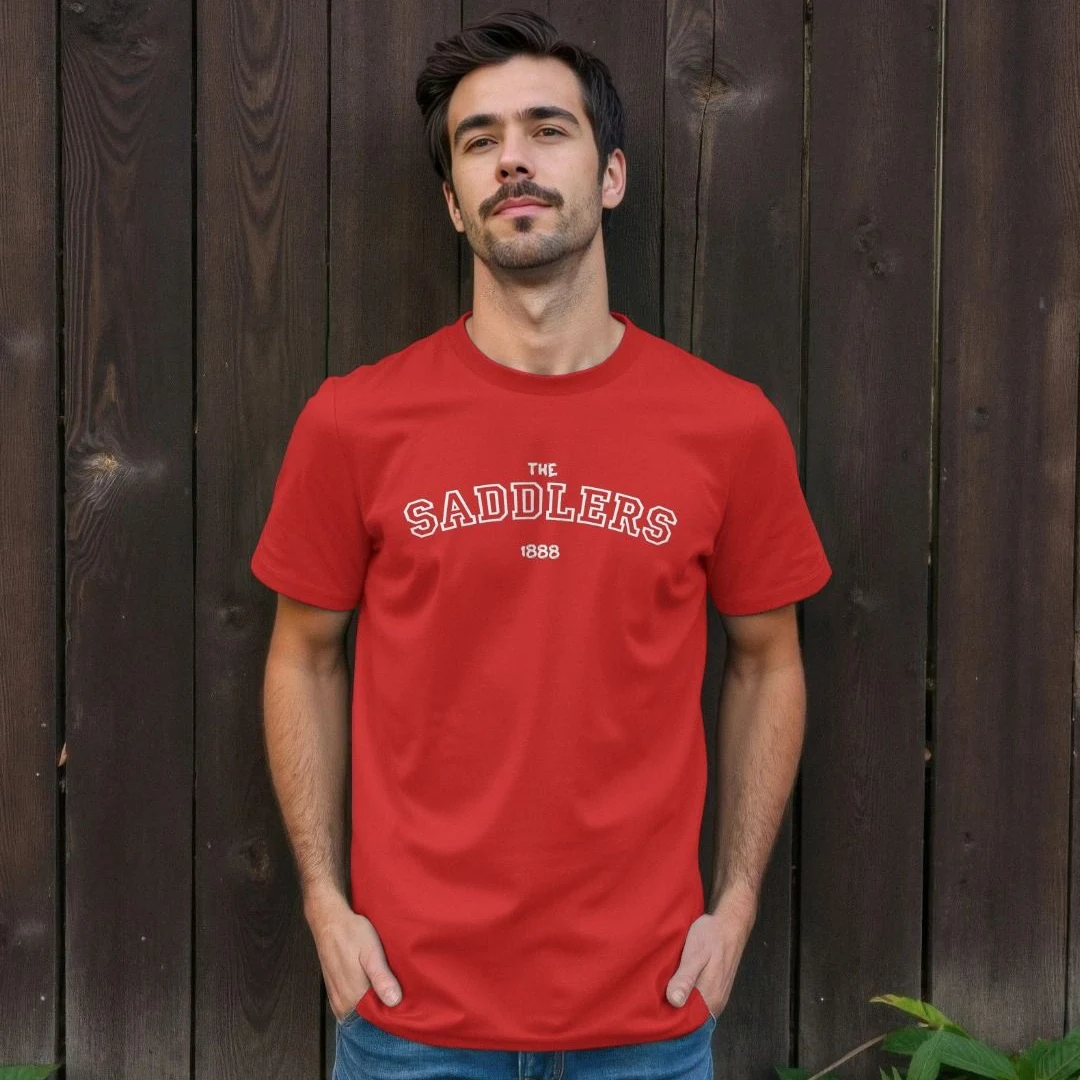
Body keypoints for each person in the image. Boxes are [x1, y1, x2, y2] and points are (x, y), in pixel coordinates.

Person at [250, 8, 832, 1079]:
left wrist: (739, 901)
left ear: (611, 176)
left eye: (546, 129)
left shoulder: (728, 426)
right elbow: (302, 655)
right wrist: (324, 899)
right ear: (453, 203)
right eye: (479, 141)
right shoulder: (354, 423)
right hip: (411, 1016)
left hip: (648, 1014)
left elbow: (769, 660)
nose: (512, 158)